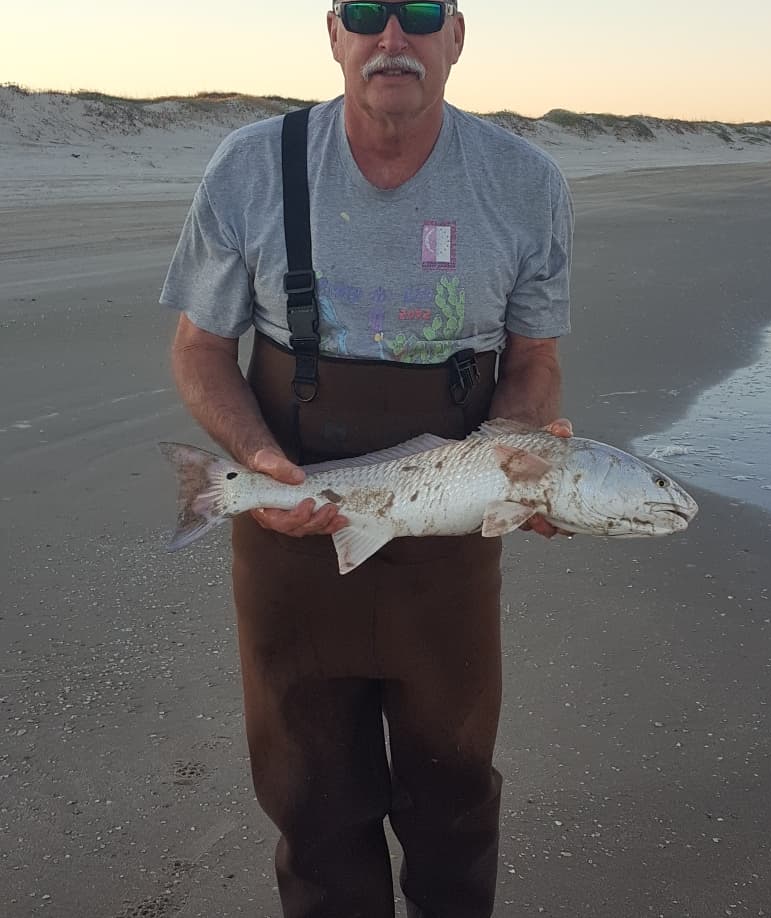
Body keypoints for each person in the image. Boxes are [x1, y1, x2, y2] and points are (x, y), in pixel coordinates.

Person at [160, 2, 574, 915]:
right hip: (290, 529)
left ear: (456, 35)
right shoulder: (253, 167)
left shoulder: (524, 181)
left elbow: (536, 365)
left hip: (449, 540)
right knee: (312, 800)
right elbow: (198, 349)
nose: (395, 36)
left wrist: (523, 452)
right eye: (366, 12)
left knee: (454, 789)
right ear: (335, 33)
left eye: (421, 12)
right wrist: (256, 462)